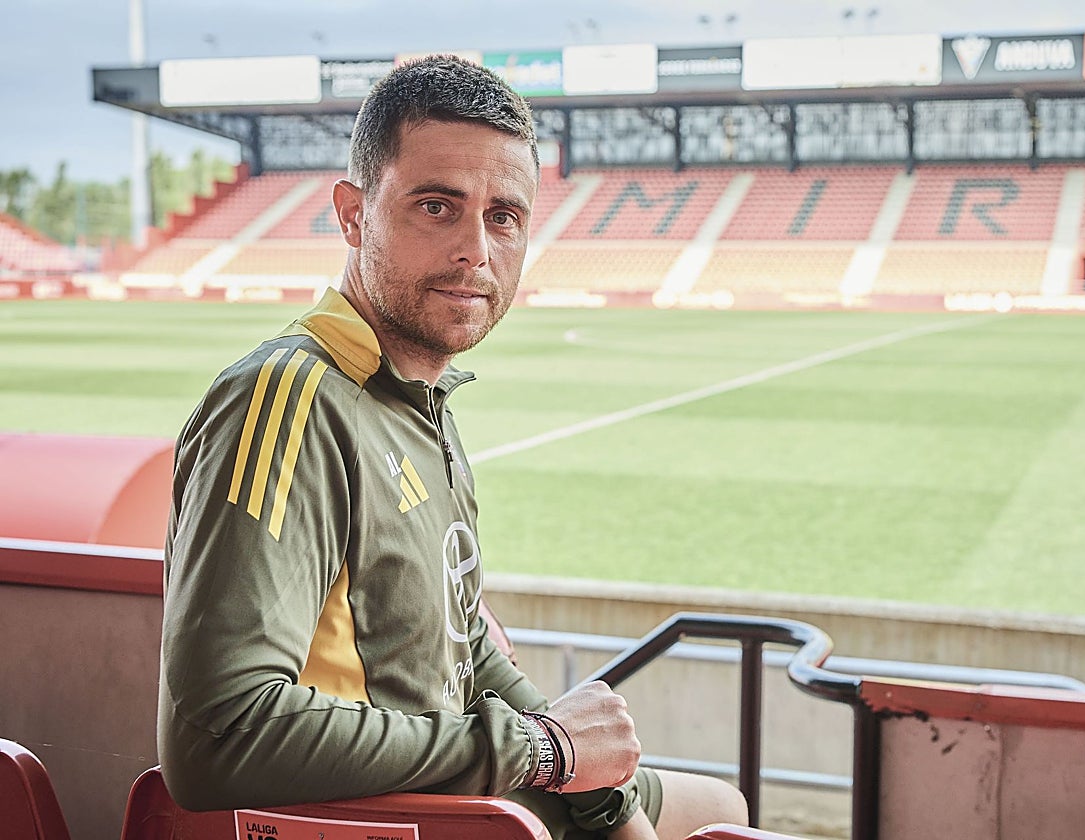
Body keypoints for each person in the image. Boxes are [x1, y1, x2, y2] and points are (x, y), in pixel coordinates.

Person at [158, 54, 748, 840]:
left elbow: (466, 650)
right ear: (352, 215)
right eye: (438, 207)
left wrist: (598, 788)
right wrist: (540, 751)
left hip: (461, 786)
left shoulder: (419, 401)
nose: (477, 248)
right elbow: (219, 739)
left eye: (504, 215)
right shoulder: (287, 399)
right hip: (384, 818)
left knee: (723, 808)